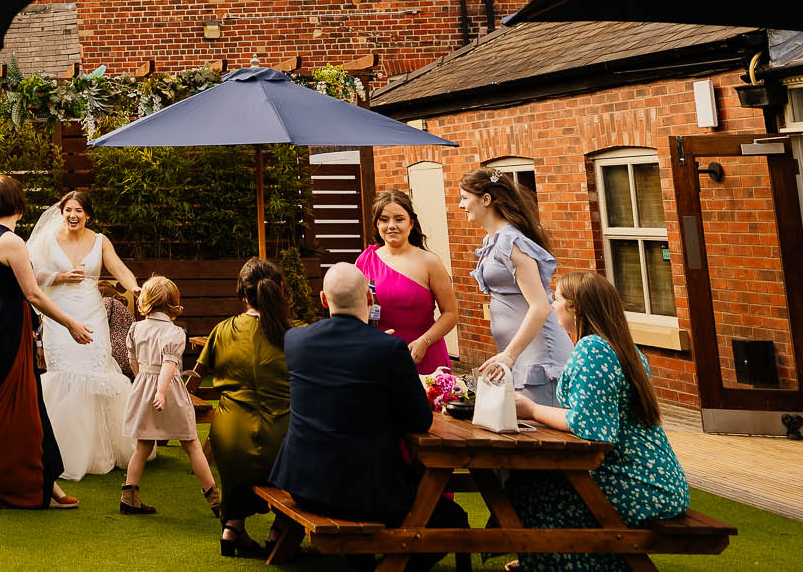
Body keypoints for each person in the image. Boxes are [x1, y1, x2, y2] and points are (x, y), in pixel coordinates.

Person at [269, 264, 468, 572]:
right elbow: (419, 420)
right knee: (455, 520)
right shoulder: (389, 349)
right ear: (370, 298)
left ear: (323, 299)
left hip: (302, 483)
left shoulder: (296, 341)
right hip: (364, 491)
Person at [508, 271, 689, 572]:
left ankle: (550, 562)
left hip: (636, 483)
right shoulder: (623, 349)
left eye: (557, 301)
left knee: (532, 490)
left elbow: (591, 428)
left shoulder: (594, 350)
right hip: (659, 481)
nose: (553, 307)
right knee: (534, 484)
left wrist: (531, 410)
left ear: (576, 309)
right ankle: (544, 560)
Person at [0, 174, 94, 510]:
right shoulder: (12, 241)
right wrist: (69, 323)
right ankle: (30, 481)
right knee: (19, 402)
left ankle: (47, 480)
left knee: (9, 398)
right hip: (10, 325)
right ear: (18, 205)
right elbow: (33, 293)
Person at [27, 189, 140, 481]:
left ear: (88, 214)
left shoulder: (100, 241)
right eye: (68, 210)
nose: (73, 215)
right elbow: (30, 275)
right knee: (64, 373)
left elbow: (120, 270)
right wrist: (61, 277)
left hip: (91, 314)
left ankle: (100, 452)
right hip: (58, 314)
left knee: (95, 372)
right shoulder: (46, 240)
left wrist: (136, 288)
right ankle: (61, 451)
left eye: (78, 210)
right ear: (61, 212)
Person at [194, 256, 293, 557]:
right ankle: (279, 529)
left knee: (238, 464)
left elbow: (193, 382)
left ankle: (232, 526)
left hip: (229, 437)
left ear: (241, 293)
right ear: (281, 290)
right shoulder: (294, 334)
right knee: (298, 464)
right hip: (283, 437)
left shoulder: (222, 331)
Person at [460, 167, 571, 407]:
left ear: (486, 200)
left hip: (540, 356)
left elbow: (540, 307)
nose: (461, 205)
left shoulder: (511, 242)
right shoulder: (492, 240)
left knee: (546, 436)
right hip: (519, 354)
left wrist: (510, 354)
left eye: (465, 198)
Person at [119, 276, 219, 517]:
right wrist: (161, 392)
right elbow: (169, 364)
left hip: (144, 385)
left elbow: (132, 359)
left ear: (146, 302)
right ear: (173, 304)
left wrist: (141, 381)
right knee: (191, 443)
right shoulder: (174, 333)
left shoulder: (136, 328)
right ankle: (215, 499)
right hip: (169, 390)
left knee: (143, 445)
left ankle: (128, 497)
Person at [356, 188, 458, 374]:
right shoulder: (364, 261)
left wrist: (424, 341)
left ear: (411, 223)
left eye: (399, 219)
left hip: (424, 356)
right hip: (380, 357)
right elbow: (354, 311)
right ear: (377, 224)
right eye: (384, 220)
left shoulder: (429, 262)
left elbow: (451, 313)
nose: (391, 225)